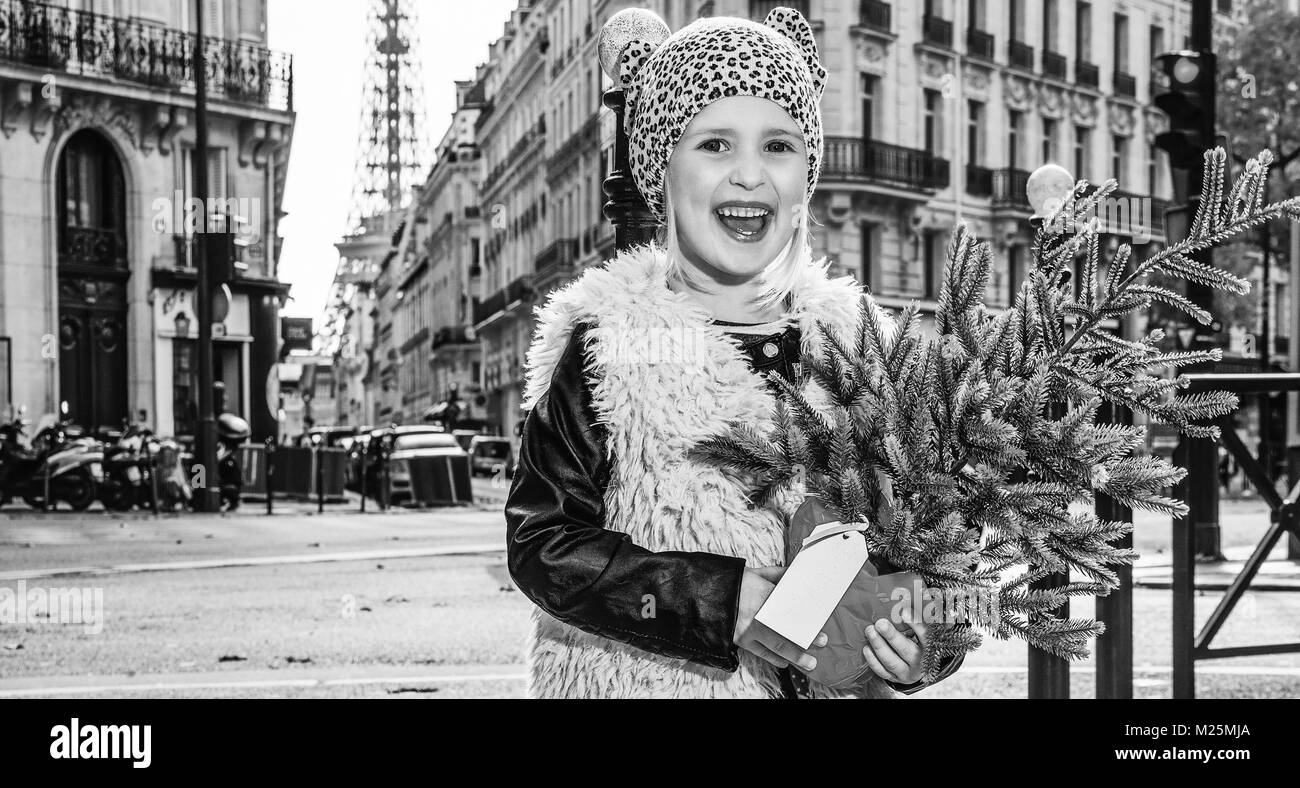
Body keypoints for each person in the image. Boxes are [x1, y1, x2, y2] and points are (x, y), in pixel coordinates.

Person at [505, 7, 964, 698]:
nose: (750, 174)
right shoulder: (608, 340)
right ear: (661, 169)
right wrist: (714, 601)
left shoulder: (863, 344)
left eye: (778, 145)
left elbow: (936, 547)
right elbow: (544, 543)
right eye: (715, 144)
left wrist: (926, 647)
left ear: (807, 171)